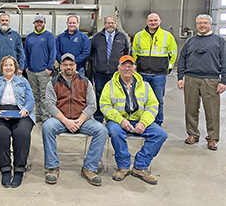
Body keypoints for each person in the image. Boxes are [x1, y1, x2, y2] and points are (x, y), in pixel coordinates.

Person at [100, 55, 167, 185]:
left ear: (134, 69)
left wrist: (143, 122)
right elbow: (104, 106)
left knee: (160, 134)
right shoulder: (110, 85)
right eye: (124, 66)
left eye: (130, 66)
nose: (127, 68)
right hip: (118, 120)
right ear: (118, 68)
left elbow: (153, 106)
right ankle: (123, 166)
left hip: (139, 120)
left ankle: (140, 167)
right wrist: (120, 120)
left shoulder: (145, 86)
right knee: (114, 131)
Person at [42, 53, 107, 186]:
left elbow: (92, 105)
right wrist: (66, 121)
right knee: (47, 127)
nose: (68, 67)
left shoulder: (85, 82)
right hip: (61, 120)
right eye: (65, 65)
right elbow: (49, 105)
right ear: (60, 66)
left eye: (71, 64)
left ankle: (89, 168)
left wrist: (81, 120)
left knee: (102, 130)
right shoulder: (52, 83)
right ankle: (52, 167)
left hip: (82, 119)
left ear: (75, 66)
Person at [0, 56, 35, 188]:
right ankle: (5, 169)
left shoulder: (23, 81)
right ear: (1, 68)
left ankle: (19, 170)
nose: (8, 67)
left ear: (15, 67)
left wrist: (26, 110)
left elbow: (30, 100)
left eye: (11, 65)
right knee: (1, 133)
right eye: (5, 65)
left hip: (20, 112)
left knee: (22, 133)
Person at [177, 14, 226, 151]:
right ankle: (192, 134)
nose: (202, 25)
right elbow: (182, 60)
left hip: (211, 80)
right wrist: (181, 77)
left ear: (210, 25)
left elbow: (225, 61)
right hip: (191, 79)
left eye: (205, 23)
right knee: (191, 109)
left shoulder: (219, 41)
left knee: (212, 110)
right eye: (199, 23)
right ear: (196, 24)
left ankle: (212, 138)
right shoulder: (190, 41)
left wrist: (224, 81)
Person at [132, 13, 177, 126]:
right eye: (151, 20)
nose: (153, 22)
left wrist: (169, 68)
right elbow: (134, 53)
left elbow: (173, 53)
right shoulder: (139, 35)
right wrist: (135, 67)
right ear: (147, 22)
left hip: (159, 75)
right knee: (140, 100)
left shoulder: (167, 35)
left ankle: (157, 123)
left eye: (155, 20)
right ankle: (141, 122)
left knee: (158, 101)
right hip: (142, 73)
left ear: (160, 21)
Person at [90, 16, 130, 123]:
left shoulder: (122, 37)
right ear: (104, 24)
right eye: (108, 23)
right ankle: (99, 118)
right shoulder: (97, 37)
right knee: (99, 94)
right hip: (100, 73)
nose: (110, 25)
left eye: (112, 23)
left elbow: (126, 53)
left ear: (116, 24)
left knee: (116, 96)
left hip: (116, 73)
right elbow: (91, 53)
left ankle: (114, 118)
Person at [24, 14, 56, 123]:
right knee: (35, 95)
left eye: (41, 22)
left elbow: (53, 53)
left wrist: (49, 68)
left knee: (44, 95)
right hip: (31, 71)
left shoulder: (49, 36)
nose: (39, 24)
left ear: (44, 23)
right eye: (37, 22)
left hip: (44, 72)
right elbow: (26, 53)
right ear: (34, 23)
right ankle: (37, 114)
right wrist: (26, 67)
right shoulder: (30, 37)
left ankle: (45, 116)